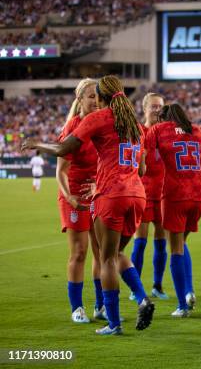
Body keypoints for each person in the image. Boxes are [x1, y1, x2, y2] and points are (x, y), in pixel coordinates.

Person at [22, 75, 155, 335]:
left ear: (102, 96)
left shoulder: (97, 119)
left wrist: (38, 144)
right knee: (115, 254)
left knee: (105, 258)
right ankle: (142, 298)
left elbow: (63, 149)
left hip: (110, 195)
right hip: (137, 195)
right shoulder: (135, 125)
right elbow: (142, 167)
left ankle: (114, 323)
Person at [145, 103, 201, 317]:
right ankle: (189, 291)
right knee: (181, 244)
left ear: (164, 118)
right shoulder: (198, 131)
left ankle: (183, 306)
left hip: (175, 196)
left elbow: (143, 157)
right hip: (199, 197)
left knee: (175, 250)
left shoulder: (158, 129)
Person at [56, 78, 104, 323]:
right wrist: (70, 197)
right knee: (80, 252)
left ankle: (100, 305)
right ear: (80, 100)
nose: (95, 100)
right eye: (90, 96)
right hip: (74, 195)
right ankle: (77, 308)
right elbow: (60, 170)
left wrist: (99, 184)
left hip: (100, 194)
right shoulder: (73, 128)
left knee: (100, 252)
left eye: (98, 95)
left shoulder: (105, 125)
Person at [130, 93, 170, 300]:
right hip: (143, 193)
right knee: (140, 241)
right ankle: (135, 288)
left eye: (160, 107)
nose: (157, 110)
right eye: (153, 106)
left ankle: (157, 285)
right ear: (144, 108)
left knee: (161, 242)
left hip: (163, 194)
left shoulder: (167, 132)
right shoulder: (138, 131)